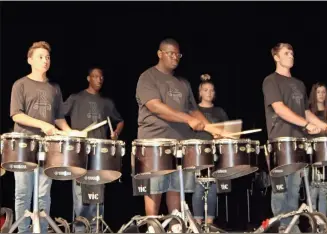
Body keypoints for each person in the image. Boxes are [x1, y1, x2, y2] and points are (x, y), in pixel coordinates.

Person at [135, 38, 220, 230]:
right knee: (154, 189)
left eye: (178, 54)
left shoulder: (183, 82)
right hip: (154, 142)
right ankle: (153, 226)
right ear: (160, 54)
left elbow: (193, 110)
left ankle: (175, 226)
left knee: (176, 187)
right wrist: (187, 119)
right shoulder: (148, 77)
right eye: (170, 53)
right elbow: (156, 107)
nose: (175, 57)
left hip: (180, 143)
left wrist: (213, 129)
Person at [262, 43, 327, 232]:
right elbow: (280, 109)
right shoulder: (271, 80)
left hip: (299, 142)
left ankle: (292, 225)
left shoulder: (298, 84)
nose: (291, 55)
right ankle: (282, 226)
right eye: (286, 53)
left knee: (294, 190)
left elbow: (306, 112)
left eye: (292, 53)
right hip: (280, 142)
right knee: (280, 191)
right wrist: (306, 125)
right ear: (276, 57)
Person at [10, 41, 74, 233]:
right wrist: (43, 125)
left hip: (48, 146)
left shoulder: (54, 87)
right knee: (23, 192)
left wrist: (70, 132)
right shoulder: (20, 84)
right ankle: (23, 230)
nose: (45, 60)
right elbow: (16, 114)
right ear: (30, 60)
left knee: (44, 193)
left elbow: (58, 118)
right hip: (23, 145)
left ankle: (43, 230)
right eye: (40, 57)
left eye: (47, 57)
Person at [62, 67, 124, 232]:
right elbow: (58, 115)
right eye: (95, 76)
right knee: (81, 193)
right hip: (80, 152)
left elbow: (120, 121)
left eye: (101, 77)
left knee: (97, 193)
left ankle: (96, 228)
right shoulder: (76, 98)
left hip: (100, 154)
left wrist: (116, 132)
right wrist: (70, 132)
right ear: (88, 78)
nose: (99, 79)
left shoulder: (107, 102)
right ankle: (80, 229)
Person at [192, 74, 228, 225]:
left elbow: (228, 131)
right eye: (205, 90)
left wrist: (223, 137)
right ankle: (198, 222)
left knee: (213, 188)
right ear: (200, 92)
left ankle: (210, 222)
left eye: (212, 90)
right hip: (198, 153)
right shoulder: (193, 109)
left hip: (215, 153)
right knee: (199, 187)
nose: (209, 93)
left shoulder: (220, 111)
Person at [307, 82, 327, 217]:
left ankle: (324, 223)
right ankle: (312, 223)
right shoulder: (308, 113)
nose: (321, 95)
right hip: (313, 155)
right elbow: (303, 132)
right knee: (313, 189)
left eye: (324, 92)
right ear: (314, 94)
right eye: (318, 92)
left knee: (325, 190)